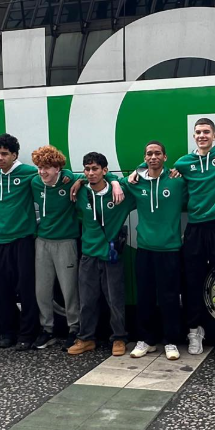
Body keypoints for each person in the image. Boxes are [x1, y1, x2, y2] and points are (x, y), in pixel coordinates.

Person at [170, 118, 215, 357]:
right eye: (198, 132)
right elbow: (155, 169)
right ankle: (194, 331)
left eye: (206, 132)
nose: (202, 136)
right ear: (193, 136)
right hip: (195, 229)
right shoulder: (183, 162)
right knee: (192, 283)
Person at [124, 141, 188, 361]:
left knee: (169, 297)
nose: (153, 157)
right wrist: (133, 172)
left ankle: (171, 341)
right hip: (145, 249)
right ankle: (147, 341)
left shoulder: (177, 182)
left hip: (169, 249)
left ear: (165, 157)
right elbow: (110, 183)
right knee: (145, 297)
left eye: (157, 153)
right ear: (144, 157)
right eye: (149, 154)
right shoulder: (136, 182)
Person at [68, 152, 136, 357]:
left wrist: (115, 182)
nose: (90, 173)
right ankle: (86, 338)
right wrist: (79, 180)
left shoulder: (120, 194)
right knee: (87, 300)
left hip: (111, 255)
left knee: (115, 299)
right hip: (88, 255)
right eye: (86, 169)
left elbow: (140, 175)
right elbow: (59, 173)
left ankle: (119, 338)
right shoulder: (80, 192)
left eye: (95, 169)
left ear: (105, 171)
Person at [0, 133, 43, 350]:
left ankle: (27, 335)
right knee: (2, 290)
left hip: (23, 240)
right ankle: (8, 333)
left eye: (4, 154)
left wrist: (67, 176)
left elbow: (56, 171)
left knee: (27, 289)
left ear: (15, 155)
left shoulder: (28, 172)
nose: (0, 158)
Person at [31, 145, 82, 350]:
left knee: (69, 289)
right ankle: (47, 330)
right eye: (40, 167)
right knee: (42, 290)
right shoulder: (35, 182)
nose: (43, 172)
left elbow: (92, 175)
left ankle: (74, 329)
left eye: (48, 168)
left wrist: (77, 179)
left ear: (58, 168)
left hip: (66, 242)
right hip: (42, 241)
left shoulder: (68, 180)